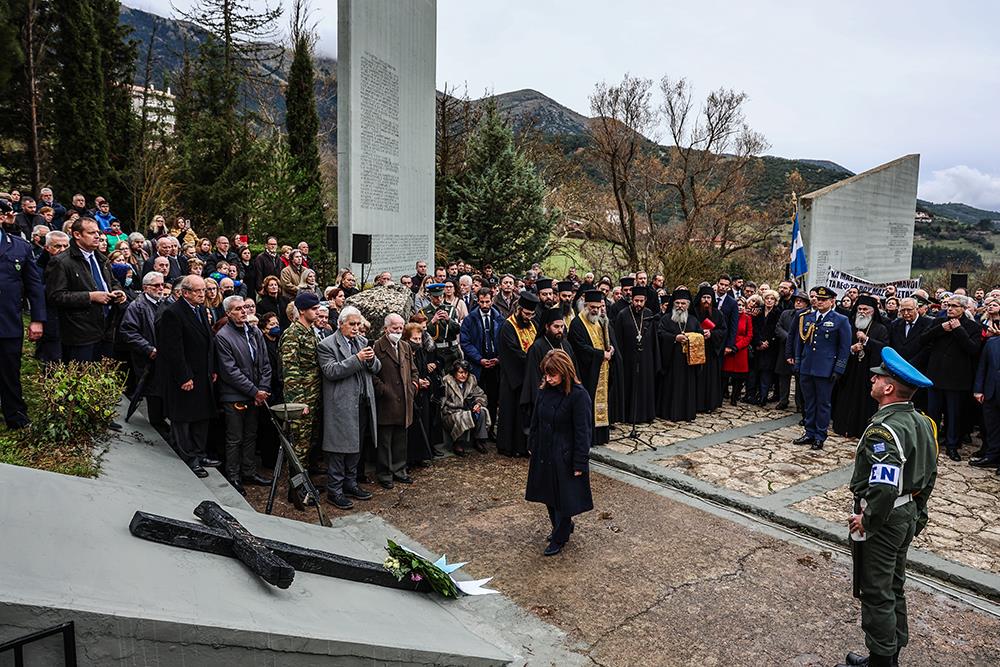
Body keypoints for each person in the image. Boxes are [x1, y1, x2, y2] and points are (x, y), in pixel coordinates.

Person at [838, 348, 936, 667]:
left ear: (889, 388)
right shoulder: (922, 422)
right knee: (894, 585)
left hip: (885, 518)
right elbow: (930, 473)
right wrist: (918, 513)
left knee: (876, 591)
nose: (874, 379)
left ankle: (881, 661)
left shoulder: (884, 429)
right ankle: (890, 652)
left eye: (879, 377)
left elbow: (883, 484)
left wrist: (868, 520)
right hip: (905, 514)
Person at [525, 349, 593, 557]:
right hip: (545, 452)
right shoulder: (545, 390)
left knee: (564, 499)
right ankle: (561, 527)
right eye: (546, 374)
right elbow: (536, 419)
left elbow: (583, 432)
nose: (548, 378)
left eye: (553, 375)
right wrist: (532, 442)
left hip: (564, 455)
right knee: (547, 494)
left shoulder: (578, 396)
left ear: (564, 372)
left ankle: (560, 536)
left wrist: (580, 462)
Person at [317, 305, 380, 509]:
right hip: (341, 405)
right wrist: (357, 359)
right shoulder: (327, 345)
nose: (355, 328)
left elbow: (377, 367)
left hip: (362, 402)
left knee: (356, 446)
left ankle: (350, 484)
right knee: (339, 448)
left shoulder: (362, 341)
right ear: (340, 324)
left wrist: (370, 361)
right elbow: (331, 371)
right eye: (351, 324)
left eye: (358, 324)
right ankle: (334, 490)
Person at [158, 275, 219, 478]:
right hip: (185, 375)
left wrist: (213, 368)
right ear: (185, 292)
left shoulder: (201, 309)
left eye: (204, 290)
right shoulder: (173, 314)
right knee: (184, 418)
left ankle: (200, 453)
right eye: (198, 290)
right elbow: (173, 349)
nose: (203, 294)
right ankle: (189, 457)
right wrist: (184, 376)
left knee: (202, 416)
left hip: (203, 373)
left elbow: (207, 340)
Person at [45, 217, 127, 363]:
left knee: (104, 379)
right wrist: (90, 297)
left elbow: (112, 282)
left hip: (106, 329)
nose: (97, 236)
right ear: (77, 235)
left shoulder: (101, 259)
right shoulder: (61, 262)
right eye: (91, 233)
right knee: (83, 379)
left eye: (98, 232)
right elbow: (55, 296)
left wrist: (118, 291)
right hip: (79, 333)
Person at [214, 295, 273, 494]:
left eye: (245, 308)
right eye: (238, 309)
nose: (243, 312)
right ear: (228, 313)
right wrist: (254, 391)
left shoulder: (254, 331)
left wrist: (262, 389)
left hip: (256, 394)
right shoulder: (223, 336)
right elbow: (230, 371)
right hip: (235, 395)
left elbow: (265, 363)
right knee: (235, 437)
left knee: (250, 435)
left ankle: (249, 471)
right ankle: (233, 475)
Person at [0, 202, 45, 429]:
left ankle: (15, 416)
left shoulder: (19, 247)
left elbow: (34, 287)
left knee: (10, 372)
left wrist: (37, 319)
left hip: (7, 322)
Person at [920, 295, 981, 461]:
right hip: (935, 375)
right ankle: (930, 444)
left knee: (953, 416)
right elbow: (923, 339)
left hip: (957, 379)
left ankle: (952, 446)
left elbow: (973, 349)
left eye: (955, 306)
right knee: (932, 413)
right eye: (948, 306)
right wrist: (942, 328)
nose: (950, 309)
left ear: (963, 308)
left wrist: (959, 330)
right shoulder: (937, 322)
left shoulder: (973, 326)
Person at [791, 286, 852, 450]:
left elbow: (844, 348)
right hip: (807, 367)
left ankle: (820, 435)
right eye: (817, 299)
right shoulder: (807, 317)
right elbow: (800, 342)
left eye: (823, 300)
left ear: (832, 301)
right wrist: (798, 362)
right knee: (809, 403)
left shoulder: (840, 320)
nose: (819, 302)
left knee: (823, 404)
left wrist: (838, 369)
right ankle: (809, 432)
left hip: (825, 369)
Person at [568, 290, 623, 446]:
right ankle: (589, 437)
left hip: (600, 370)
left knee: (601, 402)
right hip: (586, 372)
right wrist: (601, 355)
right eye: (592, 307)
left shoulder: (598, 321)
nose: (595, 310)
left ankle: (600, 436)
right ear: (585, 306)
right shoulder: (577, 323)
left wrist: (610, 348)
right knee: (588, 403)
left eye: (598, 307)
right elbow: (580, 348)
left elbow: (604, 340)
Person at [832, 294, 890, 438]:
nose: (862, 312)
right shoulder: (849, 326)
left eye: (866, 309)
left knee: (864, 401)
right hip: (850, 370)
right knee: (845, 397)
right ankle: (843, 426)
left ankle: (860, 429)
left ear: (873, 311)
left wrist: (867, 340)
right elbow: (838, 345)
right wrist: (852, 349)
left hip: (867, 371)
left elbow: (884, 348)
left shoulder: (880, 328)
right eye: (860, 309)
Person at [372, 314, 418, 487]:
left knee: (400, 438)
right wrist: (382, 389)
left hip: (405, 399)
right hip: (387, 399)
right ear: (386, 329)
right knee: (385, 440)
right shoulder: (377, 346)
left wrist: (413, 386)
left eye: (400, 328)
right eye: (394, 328)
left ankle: (400, 470)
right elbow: (372, 374)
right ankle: (384, 474)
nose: (398, 331)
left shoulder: (405, 346)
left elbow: (413, 370)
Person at [279, 292, 323, 469]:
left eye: (318, 308)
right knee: (299, 445)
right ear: (302, 311)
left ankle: (307, 480)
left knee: (310, 441)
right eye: (314, 309)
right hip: (302, 399)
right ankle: (296, 489)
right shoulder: (292, 334)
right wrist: (299, 403)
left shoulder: (311, 332)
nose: (318, 312)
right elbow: (291, 371)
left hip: (314, 396)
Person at [119, 271, 167, 428]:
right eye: (156, 285)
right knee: (152, 389)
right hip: (147, 356)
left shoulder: (164, 304)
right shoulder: (137, 306)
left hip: (163, 355)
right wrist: (148, 349)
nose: (160, 288)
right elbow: (128, 332)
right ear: (146, 288)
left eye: (162, 284)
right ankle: (156, 422)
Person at [496, 291, 539, 457]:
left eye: (531, 314)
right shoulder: (508, 326)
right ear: (519, 310)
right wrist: (532, 361)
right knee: (510, 411)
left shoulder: (532, 324)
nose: (529, 317)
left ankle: (523, 446)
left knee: (524, 414)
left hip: (528, 375)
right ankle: (508, 446)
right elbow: (512, 352)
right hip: (513, 376)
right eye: (526, 314)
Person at [522, 308, 577, 425]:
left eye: (562, 327)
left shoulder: (566, 345)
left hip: (566, 396)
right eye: (556, 327)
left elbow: (574, 371)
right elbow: (533, 378)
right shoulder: (537, 347)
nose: (560, 330)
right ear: (547, 327)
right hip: (547, 399)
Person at [613, 286, 658, 424]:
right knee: (629, 385)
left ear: (645, 300)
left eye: (641, 301)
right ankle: (628, 415)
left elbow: (654, 339)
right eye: (636, 301)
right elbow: (617, 339)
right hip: (628, 358)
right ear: (632, 300)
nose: (638, 304)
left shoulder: (649, 314)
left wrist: (655, 360)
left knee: (645, 385)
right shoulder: (623, 314)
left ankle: (646, 415)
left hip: (646, 358)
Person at [460, 287, 503, 427]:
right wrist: (479, 359)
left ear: (492, 300)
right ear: (477, 301)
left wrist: (498, 358)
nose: (485, 305)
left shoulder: (499, 318)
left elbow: (504, 341)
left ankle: (490, 428)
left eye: (487, 302)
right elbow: (465, 343)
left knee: (493, 396)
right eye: (482, 302)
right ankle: (478, 430)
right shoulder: (470, 319)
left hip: (495, 365)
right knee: (477, 398)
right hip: (478, 365)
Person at [440, 359, 491, 455]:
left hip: (467, 409)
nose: (464, 375)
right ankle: (458, 443)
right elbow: (442, 402)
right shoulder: (446, 381)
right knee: (463, 416)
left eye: (466, 373)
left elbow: (481, 395)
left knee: (482, 411)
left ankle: (478, 440)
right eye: (461, 372)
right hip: (451, 413)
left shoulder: (471, 380)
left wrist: (478, 404)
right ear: (454, 372)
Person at [774, 289, 810, 410]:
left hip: (800, 352)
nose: (798, 303)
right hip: (785, 350)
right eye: (796, 301)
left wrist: (795, 340)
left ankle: (799, 404)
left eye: (801, 301)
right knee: (784, 377)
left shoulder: (808, 316)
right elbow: (778, 327)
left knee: (799, 380)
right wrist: (789, 337)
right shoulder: (786, 314)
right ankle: (783, 400)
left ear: (806, 304)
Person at [694, 285, 728, 411]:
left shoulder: (718, 314)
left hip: (711, 351)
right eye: (704, 297)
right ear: (700, 298)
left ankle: (709, 404)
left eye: (709, 297)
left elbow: (723, 330)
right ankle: (696, 403)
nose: (706, 300)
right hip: (696, 351)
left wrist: (712, 334)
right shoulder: (694, 312)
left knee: (710, 379)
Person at [421, 283, 463, 371]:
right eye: (436, 297)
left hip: (452, 351)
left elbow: (458, 330)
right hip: (437, 352)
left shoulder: (451, 309)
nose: (439, 299)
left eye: (441, 296)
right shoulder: (423, 312)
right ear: (430, 297)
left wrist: (448, 320)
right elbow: (423, 334)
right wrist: (433, 321)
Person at [722, 297, 753, 406]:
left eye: (742, 305)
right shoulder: (730, 316)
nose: (740, 307)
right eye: (738, 305)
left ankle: (734, 398)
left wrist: (737, 346)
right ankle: (723, 395)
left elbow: (749, 336)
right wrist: (729, 345)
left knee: (739, 377)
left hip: (741, 350)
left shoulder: (747, 318)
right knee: (725, 374)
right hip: (728, 348)